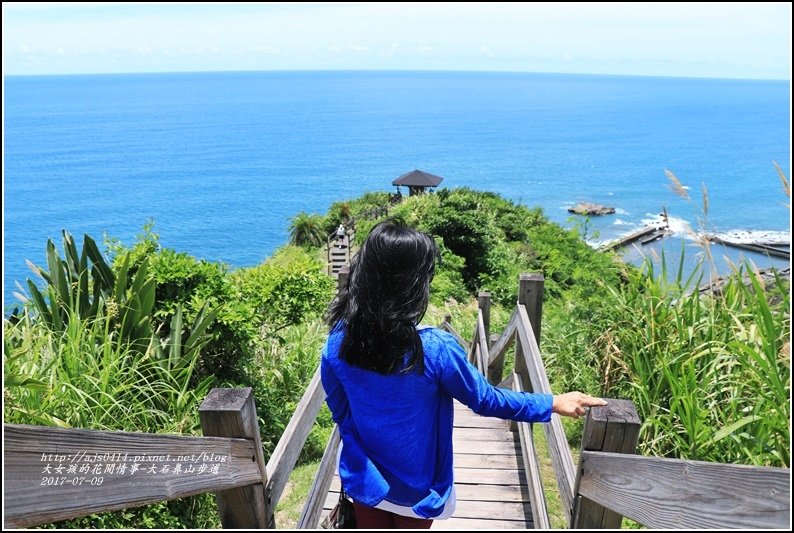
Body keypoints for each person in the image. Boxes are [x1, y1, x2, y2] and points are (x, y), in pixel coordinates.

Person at [321, 219, 607, 529]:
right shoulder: (435, 349)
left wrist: (358, 446)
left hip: (366, 481)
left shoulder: (337, 343)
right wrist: (551, 402)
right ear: (415, 285)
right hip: (417, 492)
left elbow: (340, 410)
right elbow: (485, 399)